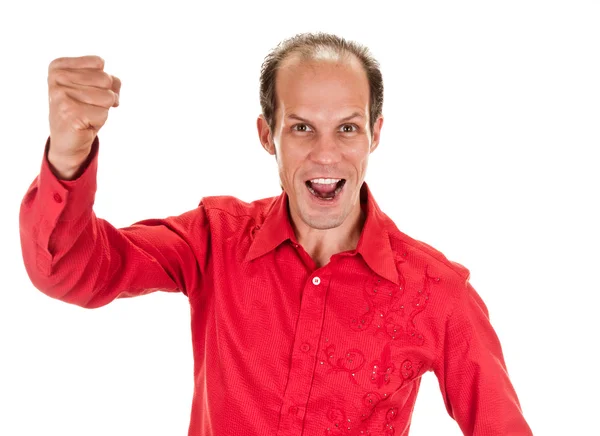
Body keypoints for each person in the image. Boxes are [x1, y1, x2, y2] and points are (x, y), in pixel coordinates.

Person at [19, 32, 532, 436]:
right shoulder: (213, 240)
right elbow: (70, 271)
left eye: (348, 128)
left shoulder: (437, 293)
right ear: (268, 134)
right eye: (302, 127)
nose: (326, 154)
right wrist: (67, 157)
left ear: (376, 133)